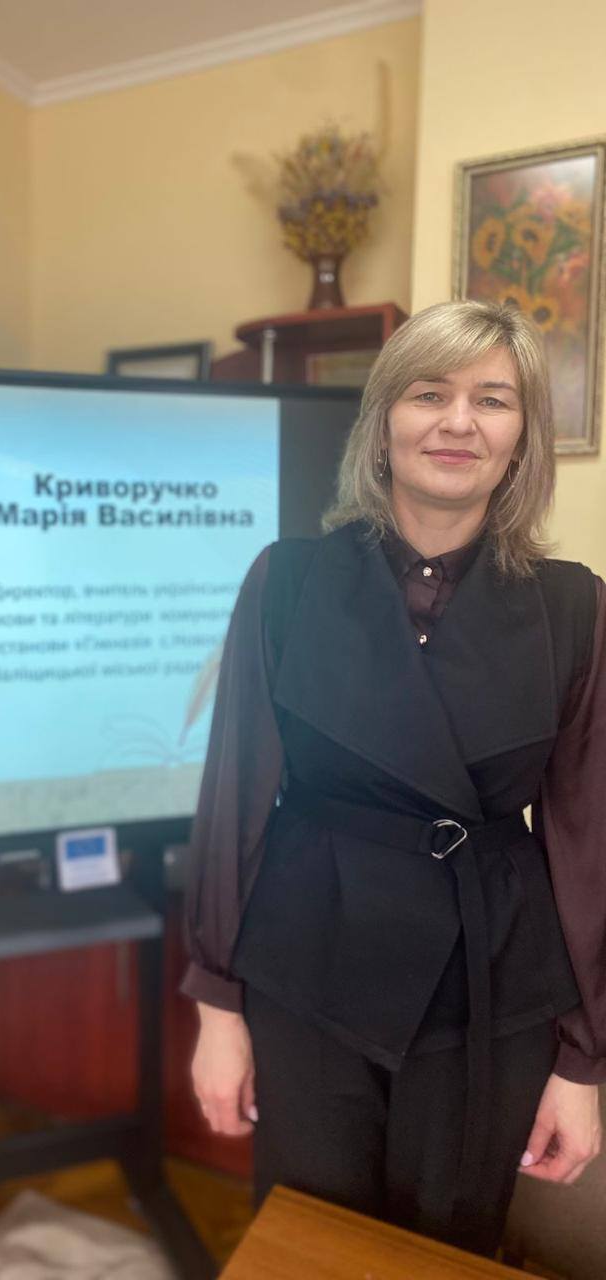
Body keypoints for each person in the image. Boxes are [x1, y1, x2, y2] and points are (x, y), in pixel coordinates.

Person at [182, 300, 604, 1257]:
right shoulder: (286, 582)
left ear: (522, 439)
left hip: (490, 985)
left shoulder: (575, 608)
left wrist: (584, 1061)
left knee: (448, 1249)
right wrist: (217, 1006)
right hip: (308, 968)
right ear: (382, 423)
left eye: (492, 400)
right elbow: (234, 800)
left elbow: (591, 845)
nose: (459, 422)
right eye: (429, 394)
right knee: (310, 1246)